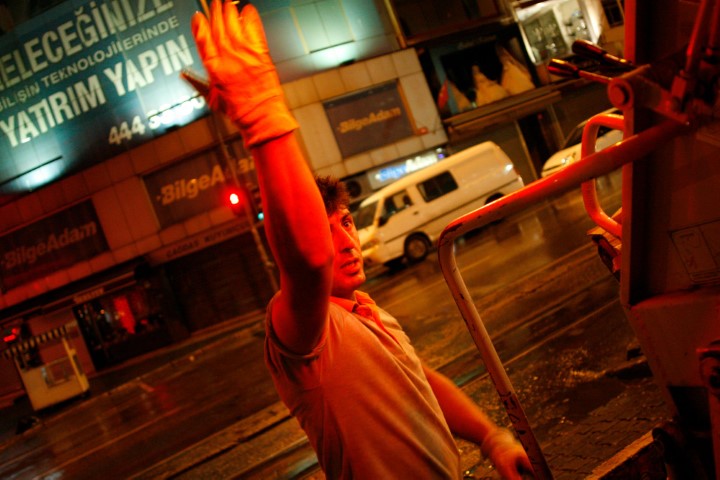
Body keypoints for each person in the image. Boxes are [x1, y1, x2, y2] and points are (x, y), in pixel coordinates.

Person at [189, 2, 533, 478]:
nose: (346, 241)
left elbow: (418, 382)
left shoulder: (369, 313)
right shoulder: (305, 332)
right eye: (326, 229)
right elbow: (309, 260)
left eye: (347, 222)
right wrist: (261, 115)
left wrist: (491, 437)